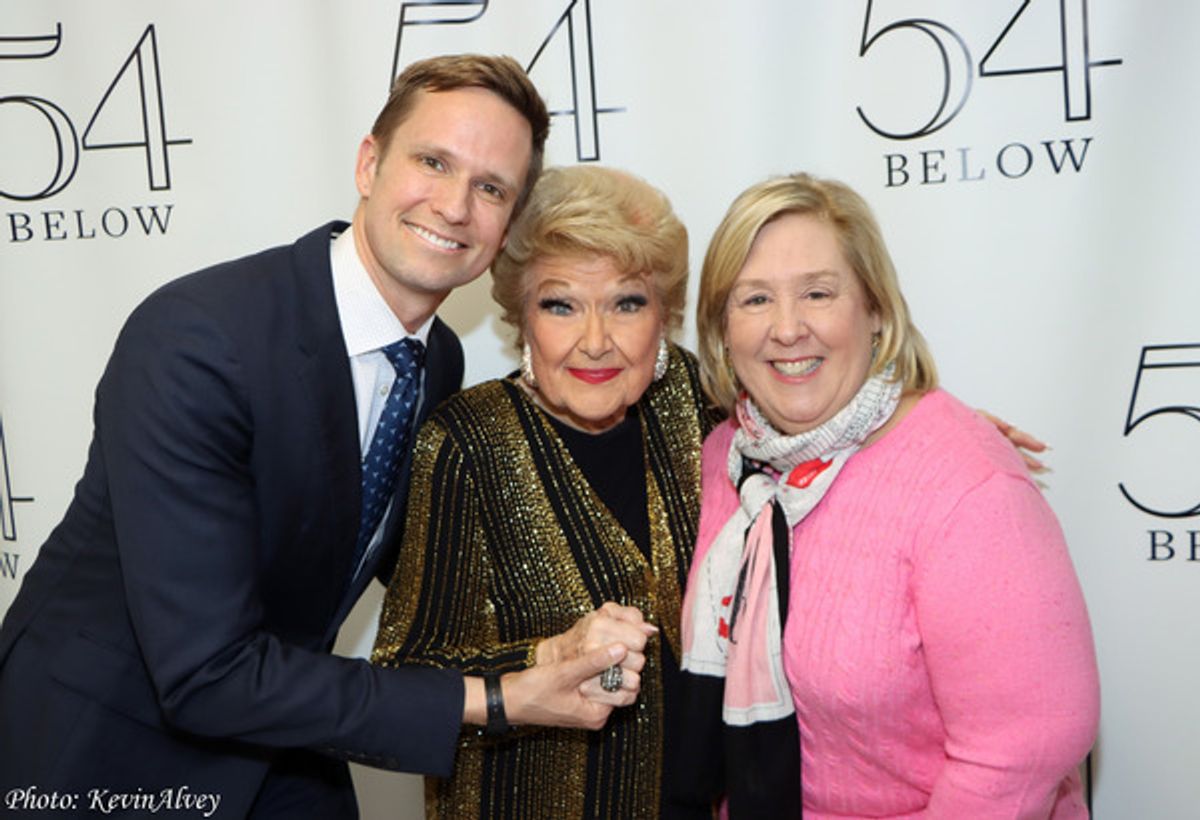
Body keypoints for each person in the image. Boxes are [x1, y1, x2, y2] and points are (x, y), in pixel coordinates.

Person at [0, 55, 648, 818]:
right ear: (369, 163)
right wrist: (499, 699)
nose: (454, 206)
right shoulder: (200, 341)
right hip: (106, 755)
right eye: (433, 162)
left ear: (506, 226)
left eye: (490, 188)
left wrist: (558, 643)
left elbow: (416, 572)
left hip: (289, 738)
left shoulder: (435, 359)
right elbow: (207, 672)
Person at [678, 172, 1100, 818]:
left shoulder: (968, 486)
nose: (787, 329)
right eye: (755, 299)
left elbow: (1026, 746)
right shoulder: (726, 460)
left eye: (818, 293)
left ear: (875, 310)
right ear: (721, 329)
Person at [372, 165, 719, 819]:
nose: (596, 341)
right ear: (521, 318)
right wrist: (546, 657)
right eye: (561, 305)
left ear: (666, 316)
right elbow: (404, 680)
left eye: (627, 303)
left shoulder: (694, 404)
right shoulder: (467, 443)